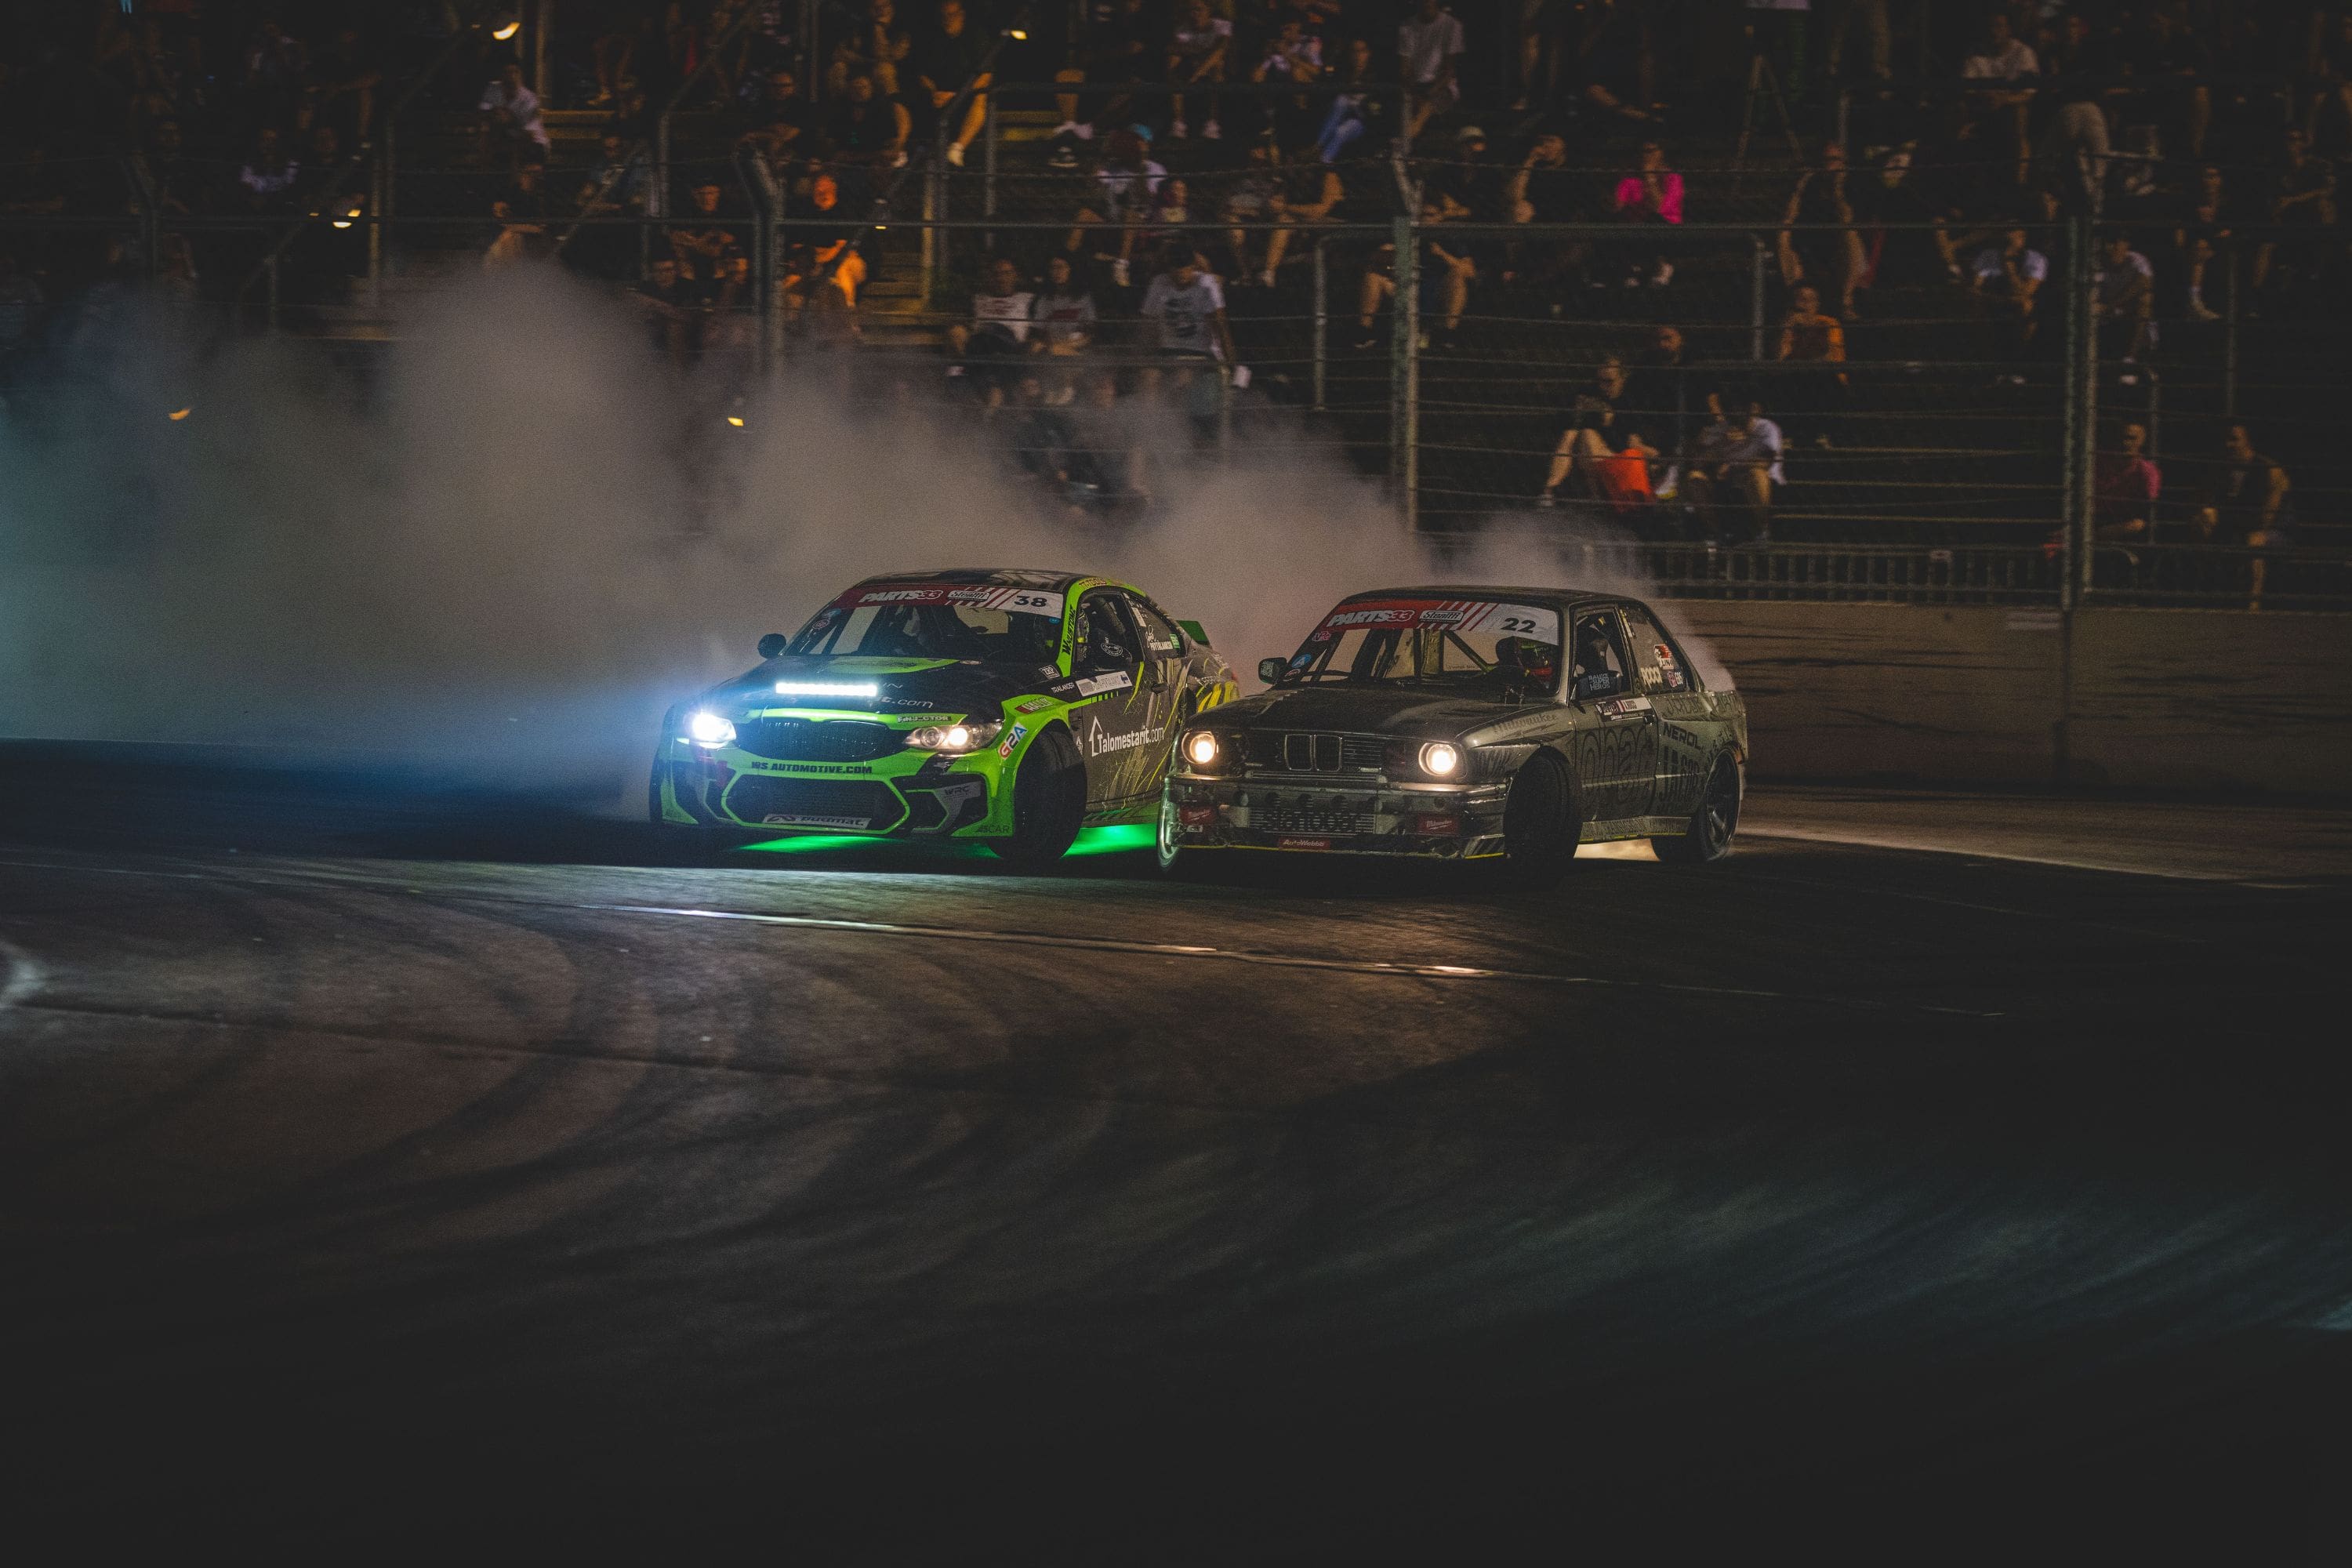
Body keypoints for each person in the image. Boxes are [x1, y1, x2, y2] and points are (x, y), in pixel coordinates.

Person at [1138, 244, 1236, 411]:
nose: (1182, 274)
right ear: (1170, 269)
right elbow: (1148, 325)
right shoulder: (1159, 284)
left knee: (1183, 378)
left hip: (1200, 352)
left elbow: (1221, 327)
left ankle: (1187, 431)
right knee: (1149, 378)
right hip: (1168, 351)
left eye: (1186, 269)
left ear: (1193, 267)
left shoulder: (1206, 284)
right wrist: (1144, 357)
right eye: (1177, 269)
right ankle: (1151, 429)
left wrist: (1230, 362)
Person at [1777, 143, 1866, 318]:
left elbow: (1846, 220)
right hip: (1811, 249)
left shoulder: (1851, 186)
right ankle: (1796, 301)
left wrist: (1838, 190)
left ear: (1843, 163)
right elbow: (1788, 219)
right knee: (1782, 233)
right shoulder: (1810, 188)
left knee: (1850, 233)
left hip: (1840, 253)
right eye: (1824, 160)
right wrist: (1800, 187)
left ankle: (1846, 300)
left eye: (1834, 160)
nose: (1828, 165)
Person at [1681, 396, 1784, 545]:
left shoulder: (1766, 427)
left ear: (1752, 409)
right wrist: (1715, 444)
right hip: (1728, 486)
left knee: (1756, 474)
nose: (1736, 413)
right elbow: (1698, 462)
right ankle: (1718, 534)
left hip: (1761, 487)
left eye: (1741, 408)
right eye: (1732, 409)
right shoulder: (1723, 429)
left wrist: (1735, 465)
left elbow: (1766, 462)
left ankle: (1762, 531)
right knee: (1695, 478)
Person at [947, 256, 1036, 409]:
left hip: (1010, 348)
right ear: (990, 277)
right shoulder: (978, 299)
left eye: (1007, 273)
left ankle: (989, 393)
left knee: (991, 332)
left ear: (1015, 275)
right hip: (979, 349)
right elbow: (960, 326)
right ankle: (986, 397)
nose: (1001, 278)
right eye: (997, 274)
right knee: (954, 369)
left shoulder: (1027, 299)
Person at [910, 0, 989, 168]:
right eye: (943, 16)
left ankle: (958, 148)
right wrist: (933, 91)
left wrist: (956, 95)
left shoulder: (977, 37)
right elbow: (922, 74)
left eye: (952, 15)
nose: (948, 19)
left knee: (981, 97)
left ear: (961, 14)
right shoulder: (932, 39)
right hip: (937, 96)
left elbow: (986, 77)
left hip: (966, 96)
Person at [1610, 140, 1682, 287]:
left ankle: (1658, 266)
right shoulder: (1630, 178)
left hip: (1665, 223)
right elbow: (1617, 206)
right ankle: (1634, 269)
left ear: (1661, 153)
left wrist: (1649, 177)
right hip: (1634, 222)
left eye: (1651, 151)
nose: (1646, 156)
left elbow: (1660, 208)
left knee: (1654, 220)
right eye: (1643, 152)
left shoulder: (1673, 178)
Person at [1399, 0, 1466, 146]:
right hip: (1415, 87)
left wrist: (1429, 95)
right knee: (1402, 102)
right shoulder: (1406, 27)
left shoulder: (1452, 25)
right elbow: (1405, 69)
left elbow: (1449, 72)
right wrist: (1415, 94)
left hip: (1442, 87)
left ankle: (1409, 138)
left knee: (1432, 104)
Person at [1969, 227, 2047, 351]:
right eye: (2011, 231)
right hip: (1994, 297)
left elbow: (2026, 293)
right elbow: (1976, 287)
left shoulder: (2035, 259)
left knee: (2027, 306)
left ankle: (2023, 352)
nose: (2016, 235)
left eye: (2020, 233)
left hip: (2019, 299)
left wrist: (2009, 266)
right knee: (1977, 307)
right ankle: (1987, 353)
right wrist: (1995, 298)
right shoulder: (1988, 256)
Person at [1165, 0, 1231, 140]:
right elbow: (1174, 49)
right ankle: (1179, 122)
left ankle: (1213, 123)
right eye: (1191, 10)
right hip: (1192, 67)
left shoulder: (1222, 26)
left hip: (1217, 70)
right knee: (1173, 61)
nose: (1194, 14)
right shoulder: (1184, 29)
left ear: (1208, 9)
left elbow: (1220, 50)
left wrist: (1198, 73)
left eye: (1198, 9)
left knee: (1217, 64)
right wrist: (1199, 54)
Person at [2092, 420, 2161, 543]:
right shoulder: (2102, 464)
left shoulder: (2147, 470)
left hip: (2127, 523)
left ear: (2141, 441)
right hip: (2098, 519)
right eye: (2123, 438)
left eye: (2132, 438)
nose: (2126, 443)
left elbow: (2149, 509)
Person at [827, 0, 913, 98]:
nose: (880, 11)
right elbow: (838, 53)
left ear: (892, 8)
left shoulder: (901, 29)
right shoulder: (860, 26)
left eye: (884, 6)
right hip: (861, 69)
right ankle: (838, 109)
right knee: (838, 68)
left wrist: (879, 28)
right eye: (875, 7)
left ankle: (893, 108)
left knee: (884, 70)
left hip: (895, 75)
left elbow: (886, 58)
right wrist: (866, 61)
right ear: (868, 10)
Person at [478, 60, 550, 164]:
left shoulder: (529, 99)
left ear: (521, 75)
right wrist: (494, 114)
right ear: (501, 75)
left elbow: (529, 135)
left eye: (516, 72)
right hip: (504, 143)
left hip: (533, 145)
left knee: (513, 152)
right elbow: (482, 114)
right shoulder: (494, 89)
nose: (512, 76)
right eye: (507, 72)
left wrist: (510, 120)